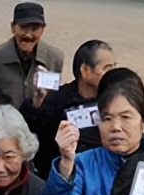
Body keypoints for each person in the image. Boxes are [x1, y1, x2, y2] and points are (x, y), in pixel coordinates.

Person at [41, 67, 144, 195]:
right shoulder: (82, 164)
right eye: (107, 118)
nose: (116, 127)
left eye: (126, 117)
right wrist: (65, 164)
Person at [22, 40, 116, 177]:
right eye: (107, 68)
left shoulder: (114, 101)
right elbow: (34, 133)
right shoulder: (57, 99)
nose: (113, 74)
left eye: (114, 67)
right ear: (85, 71)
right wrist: (37, 104)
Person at [0, 2, 64, 108]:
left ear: (43, 29)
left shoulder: (55, 58)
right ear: (13, 27)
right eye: (23, 28)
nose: (28, 35)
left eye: (35, 29)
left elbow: (55, 98)